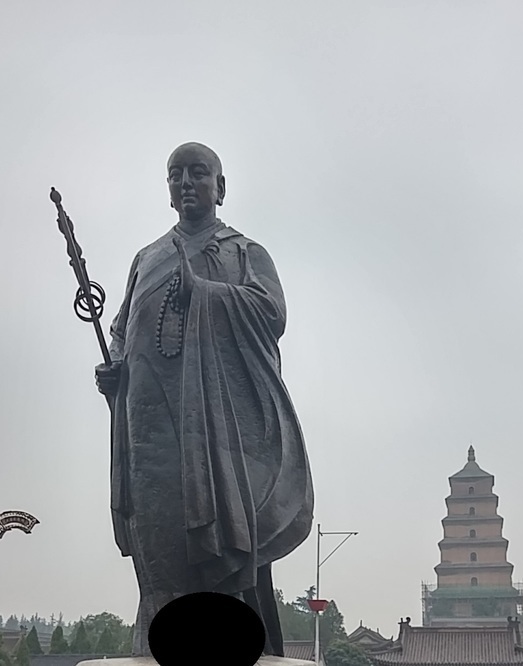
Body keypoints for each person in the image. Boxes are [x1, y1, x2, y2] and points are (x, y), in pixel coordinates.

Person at [95, 142, 313, 657]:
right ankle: (156, 640)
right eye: (176, 174)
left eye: (198, 173)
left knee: (217, 537)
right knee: (157, 537)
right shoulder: (146, 258)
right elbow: (123, 329)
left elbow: (272, 314)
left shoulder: (243, 253)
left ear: (221, 186)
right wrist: (115, 369)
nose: (186, 182)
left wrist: (207, 293)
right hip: (147, 424)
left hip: (213, 426)